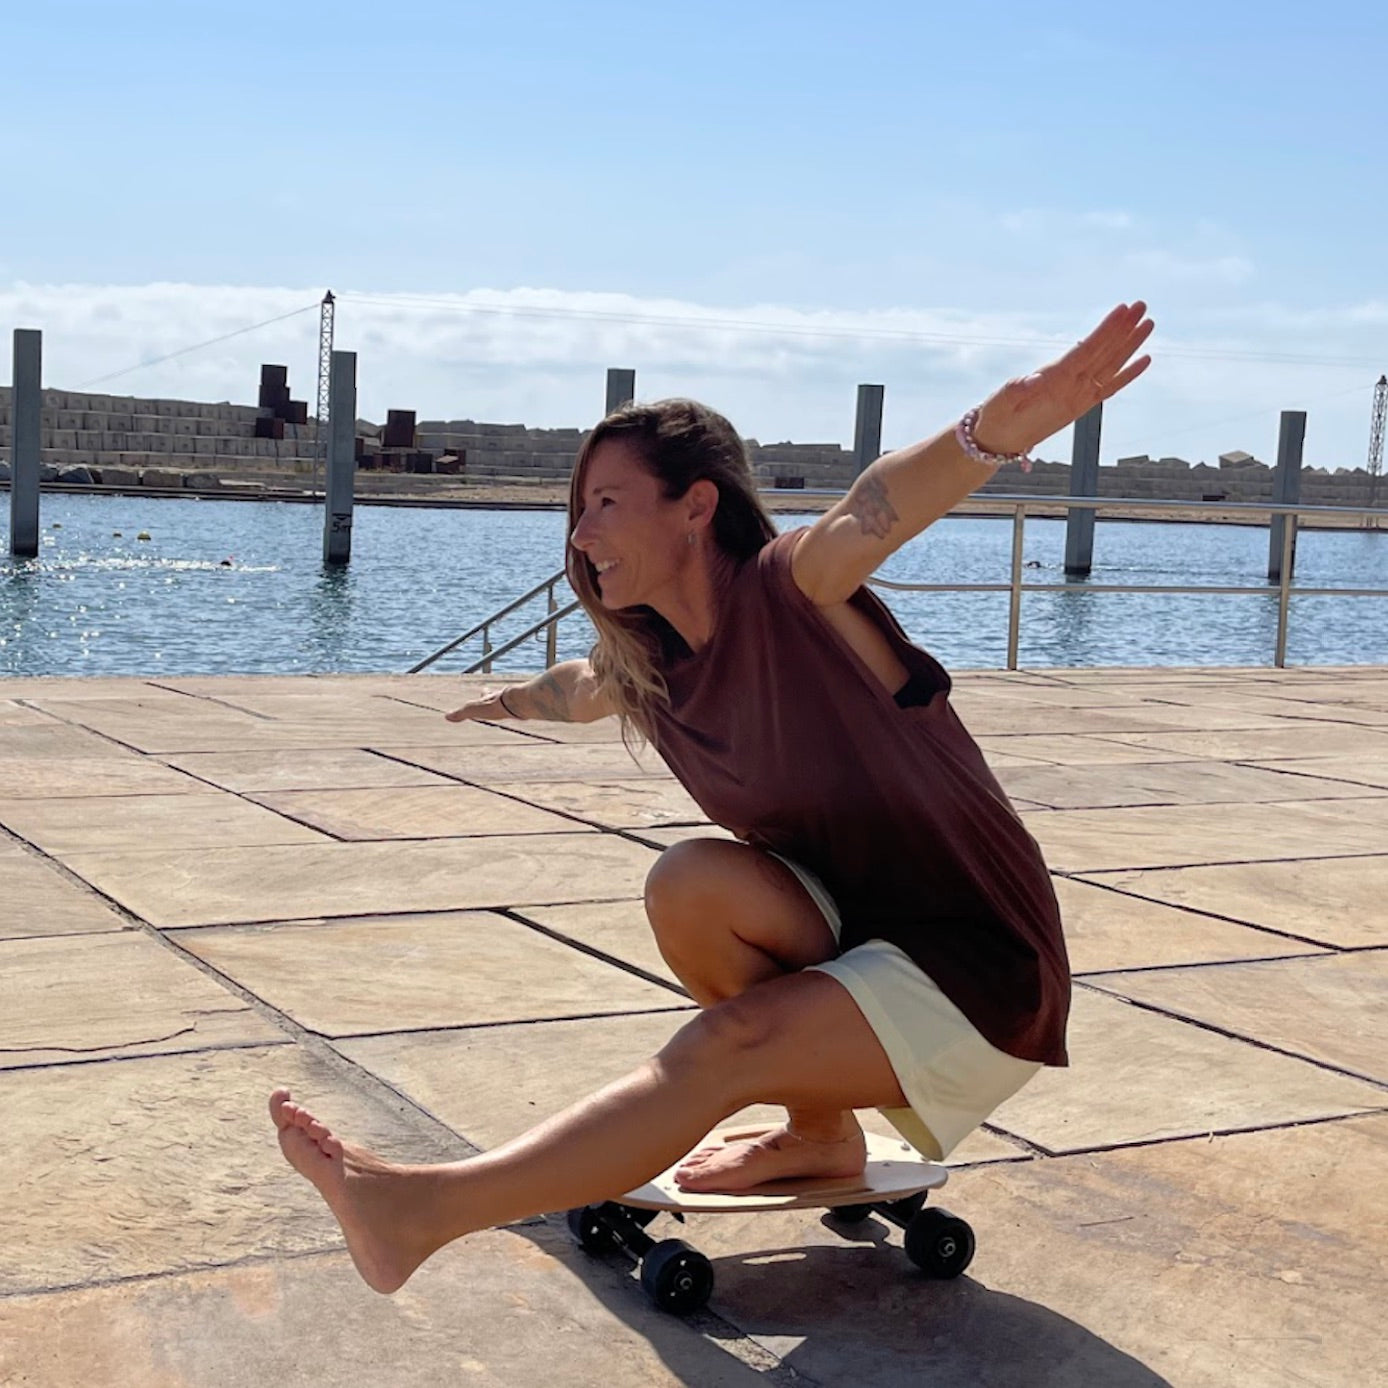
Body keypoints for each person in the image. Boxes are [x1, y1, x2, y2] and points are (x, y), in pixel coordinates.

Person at [269, 301, 1154, 1295]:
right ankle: (819, 1131)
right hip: (864, 942)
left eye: (607, 500)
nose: (581, 528)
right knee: (690, 881)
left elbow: (871, 509)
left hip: (979, 967)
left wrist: (993, 430)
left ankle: (423, 1211)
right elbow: (582, 688)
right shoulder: (656, 664)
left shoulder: (792, 590)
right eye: (578, 504)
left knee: (722, 1047)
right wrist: (506, 702)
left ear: (694, 507)